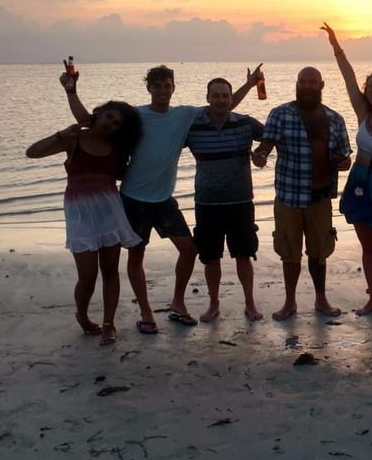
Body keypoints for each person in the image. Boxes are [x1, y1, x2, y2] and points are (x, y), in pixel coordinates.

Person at [62, 62, 262, 334]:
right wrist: (71, 92)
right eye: (157, 86)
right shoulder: (135, 116)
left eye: (167, 86)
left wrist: (250, 85)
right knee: (136, 255)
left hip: (164, 200)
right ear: (149, 89)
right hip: (133, 199)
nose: (162, 91)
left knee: (190, 249)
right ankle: (146, 312)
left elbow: (222, 106)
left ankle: (178, 303)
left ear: (173, 89)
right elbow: (91, 122)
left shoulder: (183, 116)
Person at [26, 96, 143, 345]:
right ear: (99, 113)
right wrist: (61, 134)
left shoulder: (118, 147)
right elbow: (32, 153)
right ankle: (82, 315)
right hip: (79, 212)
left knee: (110, 269)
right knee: (87, 275)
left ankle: (109, 324)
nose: (110, 123)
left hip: (110, 211)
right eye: (108, 116)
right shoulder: (74, 139)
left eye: (116, 123)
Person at [320, 22, 372, 325]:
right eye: (371, 88)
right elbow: (348, 76)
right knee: (368, 247)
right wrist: (335, 44)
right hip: (357, 182)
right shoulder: (363, 113)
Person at [251, 67, 351, 321]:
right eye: (303, 81)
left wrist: (343, 163)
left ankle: (321, 300)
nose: (307, 86)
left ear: (322, 85)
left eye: (312, 82)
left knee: (319, 253)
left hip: (320, 198)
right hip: (288, 198)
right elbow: (266, 146)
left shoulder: (334, 118)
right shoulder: (280, 114)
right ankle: (290, 302)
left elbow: (344, 156)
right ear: (296, 84)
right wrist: (260, 156)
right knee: (289, 253)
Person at [186, 77, 265, 323]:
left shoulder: (245, 123)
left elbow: (272, 135)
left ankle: (250, 303)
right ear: (207, 98)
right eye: (216, 95)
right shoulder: (192, 125)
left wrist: (261, 153)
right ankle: (213, 303)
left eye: (225, 96)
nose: (221, 100)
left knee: (244, 254)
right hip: (207, 203)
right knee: (211, 257)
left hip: (240, 201)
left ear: (231, 99)